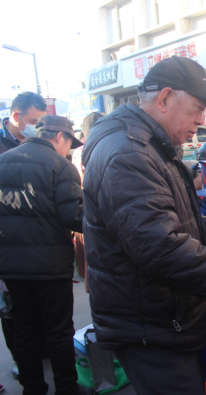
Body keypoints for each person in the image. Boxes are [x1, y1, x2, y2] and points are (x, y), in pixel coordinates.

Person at [81, 56, 206, 395]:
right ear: (165, 98)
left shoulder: (149, 144)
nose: (202, 121)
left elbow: (157, 216)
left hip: (158, 317)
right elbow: (160, 246)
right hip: (150, 326)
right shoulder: (129, 151)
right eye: (197, 109)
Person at [0, 115, 87, 395]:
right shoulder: (59, 166)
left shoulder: (3, 161)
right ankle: (66, 389)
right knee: (58, 331)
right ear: (60, 137)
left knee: (24, 330)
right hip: (50, 266)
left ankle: (33, 389)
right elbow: (73, 216)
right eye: (70, 144)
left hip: (11, 266)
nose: (69, 150)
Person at [0, 91, 48, 382]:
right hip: (8, 240)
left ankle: (39, 350)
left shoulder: (35, 142)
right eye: (32, 121)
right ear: (16, 117)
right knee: (13, 307)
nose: (36, 128)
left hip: (39, 238)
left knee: (37, 307)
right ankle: (21, 358)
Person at [72, 112, 104, 288]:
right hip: (95, 205)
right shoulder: (98, 147)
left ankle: (89, 286)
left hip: (82, 203)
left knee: (87, 253)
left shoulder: (78, 151)